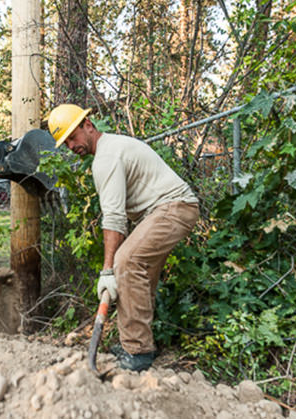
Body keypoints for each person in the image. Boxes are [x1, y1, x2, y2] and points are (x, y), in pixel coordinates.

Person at [47, 104, 199, 372]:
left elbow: (114, 218)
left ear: (89, 126)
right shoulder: (110, 149)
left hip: (173, 207)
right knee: (139, 273)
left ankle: (137, 351)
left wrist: (108, 270)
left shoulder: (107, 157)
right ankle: (139, 344)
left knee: (126, 261)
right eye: (66, 142)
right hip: (166, 210)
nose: (71, 145)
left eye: (73, 136)